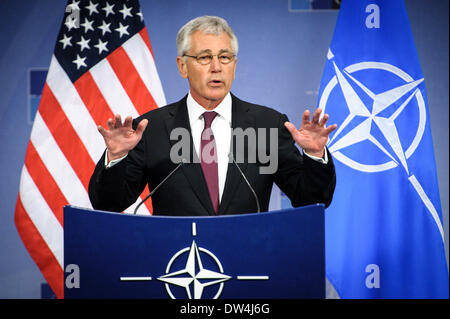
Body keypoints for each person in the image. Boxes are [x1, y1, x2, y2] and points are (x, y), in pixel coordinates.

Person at [88, 16, 337, 216]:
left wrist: (315, 156)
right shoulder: (151, 128)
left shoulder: (266, 125)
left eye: (225, 57)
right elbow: (108, 204)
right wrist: (117, 158)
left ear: (234, 66)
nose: (216, 67)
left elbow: (311, 201)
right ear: (182, 66)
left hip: (250, 264)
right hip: (175, 266)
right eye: (205, 57)